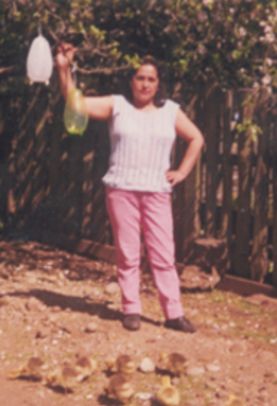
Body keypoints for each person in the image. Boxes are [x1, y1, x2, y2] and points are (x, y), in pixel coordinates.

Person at [56, 44, 204, 333]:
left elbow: (196, 139)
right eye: (140, 78)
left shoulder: (170, 111)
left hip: (157, 192)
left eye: (151, 79)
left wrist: (182, 171)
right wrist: (64, 68)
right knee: (127, 253)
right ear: (131, 81)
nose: (145, 84)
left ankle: (173, 314)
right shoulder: (117, 105)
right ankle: (131, 309)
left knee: (163, 255)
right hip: (121, 190)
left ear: (158, 84)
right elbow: (76, 103)